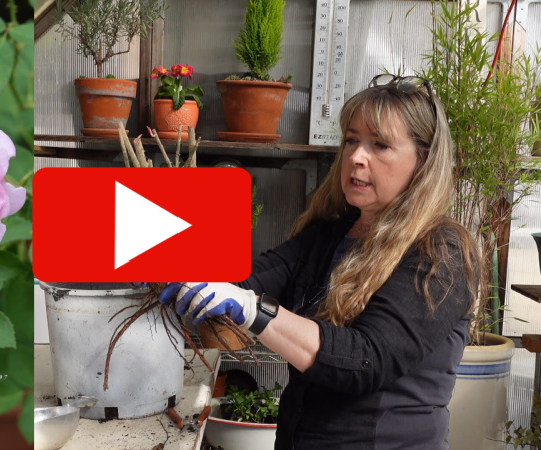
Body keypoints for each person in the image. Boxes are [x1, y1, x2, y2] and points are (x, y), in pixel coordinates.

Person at [160, 74, 482, 450]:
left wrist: (256, 312)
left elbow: (367, 357)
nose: (357, 157)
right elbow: (245, 280)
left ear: (422, 161)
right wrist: (169, 259)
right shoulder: (329, 235)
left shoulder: (442, 253)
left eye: (379, 145)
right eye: (351, 140)